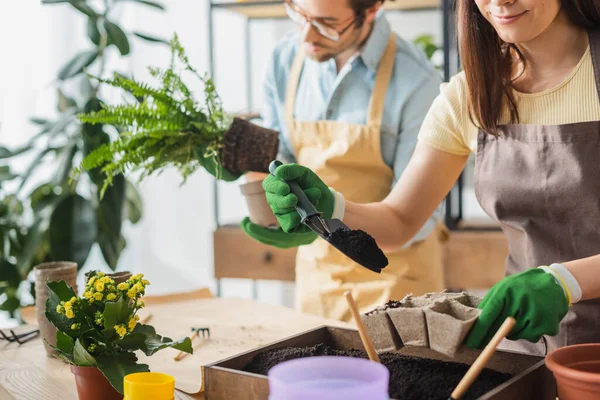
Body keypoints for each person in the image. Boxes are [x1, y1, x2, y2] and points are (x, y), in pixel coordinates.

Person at [253, 0, 600, 355]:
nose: (500, 1)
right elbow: (401, 220)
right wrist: (331, 205)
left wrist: (565, 282)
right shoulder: (468, 95)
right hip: (530, 344)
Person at [241, 0, 448, 322]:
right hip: (317, 274)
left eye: (326, 23)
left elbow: (415, 220)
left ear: (371, 10)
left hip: (394, 277)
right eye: (300, 15)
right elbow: (278, 158)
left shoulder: (417, 82)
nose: (308, 34)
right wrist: (269, 198)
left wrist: (330, 212)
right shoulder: (284, 60)